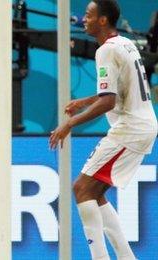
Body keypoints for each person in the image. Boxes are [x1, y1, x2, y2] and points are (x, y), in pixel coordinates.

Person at [49, 1, 157, 259]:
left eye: (88, 15)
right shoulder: (125, 44)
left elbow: (108, 101)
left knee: (81, 188)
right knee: (95, 193)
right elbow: (116, 92)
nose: (83, 19)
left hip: (130, 128)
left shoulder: (106, 51)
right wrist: (85, 101)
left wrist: (69, 124)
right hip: (141, 125)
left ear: (102, 21)